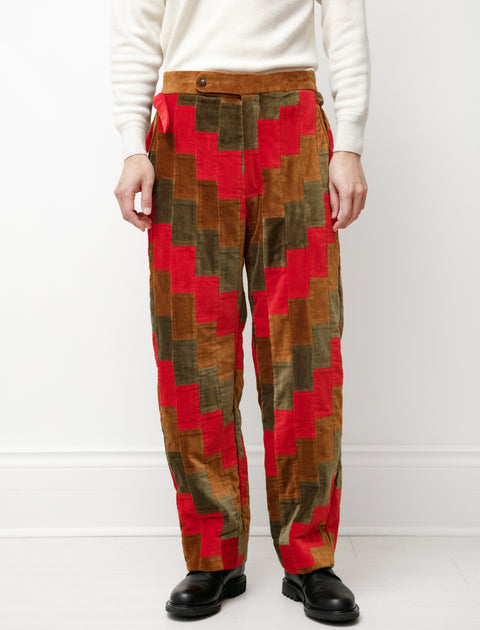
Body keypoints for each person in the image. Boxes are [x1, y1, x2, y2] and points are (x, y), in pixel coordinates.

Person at [110, 0, 370, 623]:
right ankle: (213, 555)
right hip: (186, 128)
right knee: (192, 350)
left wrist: (351, 142)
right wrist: (130, 143)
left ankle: (309, 558)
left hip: (292, 121)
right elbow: (136, 26)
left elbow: (344, 19)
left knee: (306, 347)